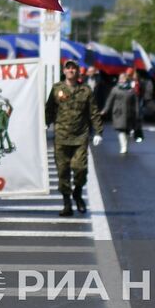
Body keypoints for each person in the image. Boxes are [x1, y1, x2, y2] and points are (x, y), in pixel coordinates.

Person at [46, 59, 102, 216]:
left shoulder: (85, 90)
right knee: (63, 171)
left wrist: (98, 132)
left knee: (80, 169)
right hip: (61, 137)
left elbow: (94, 112)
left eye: (74, 68)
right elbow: (49, 108)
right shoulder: (57, 89)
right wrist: (45, 123)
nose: (71, 70)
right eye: (68, 68)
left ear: (78, 72)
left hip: (80, 137)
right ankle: (66, 203)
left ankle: (77, 193)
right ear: (64, 71)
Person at [102, 70, 141, 154]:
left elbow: (136, 102)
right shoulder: (115, 89)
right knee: (120, 129)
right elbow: (109, 100)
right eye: (121, 78)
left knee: (127, 130)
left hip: (129, 113)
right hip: (118, 113)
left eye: (124, 78)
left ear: (127, 79)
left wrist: (137, 112)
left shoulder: (131, 90)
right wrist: (105, 109)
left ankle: (125, 145)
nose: (122, 80)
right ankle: (123, 146)